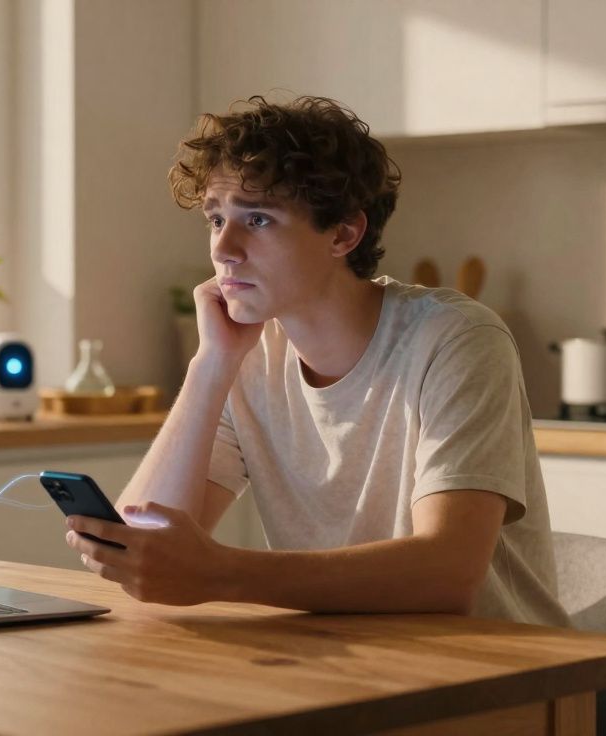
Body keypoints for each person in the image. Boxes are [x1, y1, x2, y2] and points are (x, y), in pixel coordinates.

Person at [64, 95, 568, 626]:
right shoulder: (248, 355)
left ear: (344, 233)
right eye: (216, 219)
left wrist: (223, 573)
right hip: (342, 664)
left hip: (501, 676)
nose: (224, 249)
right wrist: (210, 364)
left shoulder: (456, 339)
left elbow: (449, 573)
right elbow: (144, 553)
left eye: (256, 219)